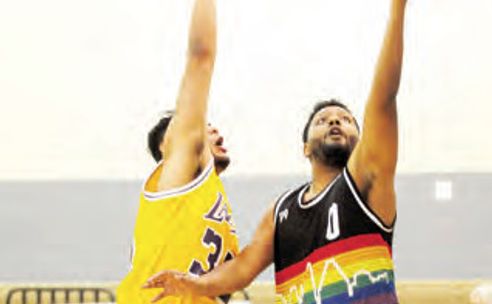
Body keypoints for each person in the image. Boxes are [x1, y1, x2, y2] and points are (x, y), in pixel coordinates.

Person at [144, 0, 407, 302]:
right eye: (322, 120)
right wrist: (198, 285)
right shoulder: (281, 210)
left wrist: (397, 11)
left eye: (347, 120)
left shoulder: (366, 182)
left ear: (364, 143)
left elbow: (384, 100)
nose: (335, 120)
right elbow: (243, 267)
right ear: (305, 148)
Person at [116, 0, 239, 302]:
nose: (214, 130)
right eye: (203, 126)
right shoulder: (179, 170)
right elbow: (201, 58)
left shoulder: (205, 199)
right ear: (167, 144)